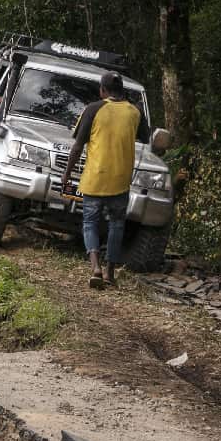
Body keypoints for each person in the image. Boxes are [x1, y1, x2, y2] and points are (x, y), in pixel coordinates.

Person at [61, 71, 150, 289]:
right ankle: (110, 272)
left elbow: (77, 146)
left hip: (95, 178)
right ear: (122, 90)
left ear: (102, 90)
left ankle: (95, 268)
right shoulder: (135, 112)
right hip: (121, 180)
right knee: (117, 225)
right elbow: (146, 137)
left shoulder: (93, 109)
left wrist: (67, 173)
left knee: (90, 222)